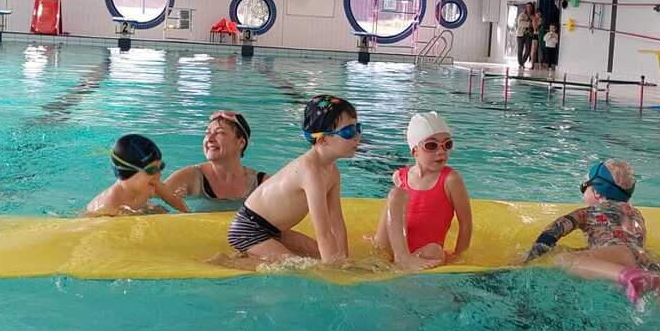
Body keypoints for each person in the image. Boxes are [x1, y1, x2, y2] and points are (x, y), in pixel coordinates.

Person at [226, 94, 359, 265]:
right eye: (349, 131)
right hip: (248, 230)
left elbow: (337, 223)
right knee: (299, 266)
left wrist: (345, 262)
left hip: (276, 230)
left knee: (320, 257)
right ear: (323, 139)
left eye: (358, 128)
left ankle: (256, 254)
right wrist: (336, 272)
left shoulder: (332, 170)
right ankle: (228, 262)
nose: (357, 136)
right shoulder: (311, 171)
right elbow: (324, 233)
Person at [524, 159, 660, 305]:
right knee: (657, 295)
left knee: (563, 258)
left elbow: (553, 231)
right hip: (645, 259)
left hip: (619, 253)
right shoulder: (635, 213)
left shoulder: (587, 212)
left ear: (597, 192)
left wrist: (529, 257)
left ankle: (628, 276)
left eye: (584, 187)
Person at [375, 112, 472, 270]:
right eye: (431, 146)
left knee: (435, 250)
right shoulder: (400, 176)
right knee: (396, 194)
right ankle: (401, 258)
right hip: (393, 248)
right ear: (414, 151)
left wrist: (458, 257)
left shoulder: (450, 180)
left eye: (447, 145)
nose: (441, 151)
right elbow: (391, 219)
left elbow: (466, 222)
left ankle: (404, 261)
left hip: (424, 253)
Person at [163, 111, 268, 212]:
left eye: (220, 133)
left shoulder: (262, 184)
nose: (210, 139)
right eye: (207, 133)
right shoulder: (190, 177)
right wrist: (175, 203)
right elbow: (153, 198)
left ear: (241, 143)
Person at [84, 134, 189, 216]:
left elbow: (175, 201)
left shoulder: (152, 182)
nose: (159, 174)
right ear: (128, 172)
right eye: (152, 170)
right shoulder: (109, 206)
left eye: (161, 167)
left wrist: (188, 214)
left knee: (162, 211)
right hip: (100, 219)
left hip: (139, 209)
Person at [514, 4, 534, 69]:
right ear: (526, 8)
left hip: (528, 35)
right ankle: (521, 64)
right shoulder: (522, 15)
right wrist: (529, 24)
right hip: (520, 34)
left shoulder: (533, 16)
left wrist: (531, 24)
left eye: (530, 7)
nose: (529, 8)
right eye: (528, 7)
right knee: (520, 49)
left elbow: (535, 24)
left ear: (532, 8)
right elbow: (520, 23)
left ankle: (522, 63)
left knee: (528, 50)